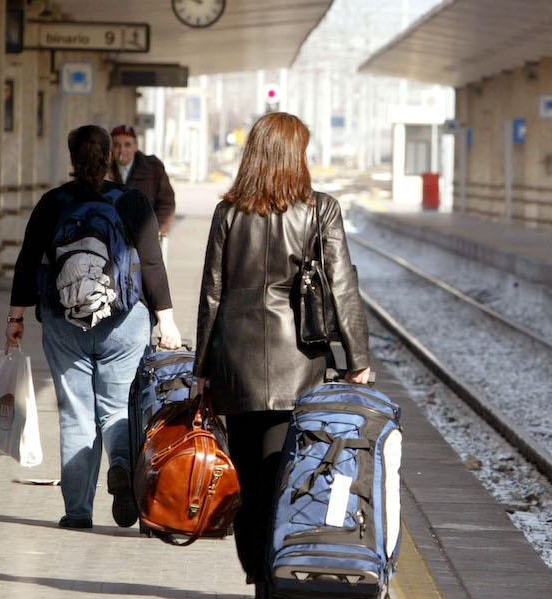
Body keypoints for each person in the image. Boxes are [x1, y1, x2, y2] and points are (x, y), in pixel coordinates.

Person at [193, 112, 370, 597]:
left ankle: (258, 574)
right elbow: (342, 287)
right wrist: (357, 360)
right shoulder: (321, 209)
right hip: (300, 364)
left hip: (236, 364)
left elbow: (211, 293)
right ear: (296, 155)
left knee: (249, 478)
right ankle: (279, 572)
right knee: (289, 475)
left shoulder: (228, 211)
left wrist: (202, 369)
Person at [4, 125, 182, 530]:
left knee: (76, 412)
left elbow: (28, 259)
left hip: (63, 320)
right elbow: (152, 263)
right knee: (117, 408)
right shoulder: (132, 201)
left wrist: (15, 318)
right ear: (109, 157)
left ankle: (78, 511)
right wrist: (165, 320)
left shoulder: (53, 202)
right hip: (123, 319)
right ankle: (122, 467)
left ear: (72, 156)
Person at [109, 124, 177, 262]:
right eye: (116, 145)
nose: (122, 150)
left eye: (127, 145)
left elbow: (167, 202)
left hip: (143, 240)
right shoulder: (104, 169)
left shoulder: (153, 169)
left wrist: (157, 229)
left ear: (135, 146)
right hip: (111, 242)